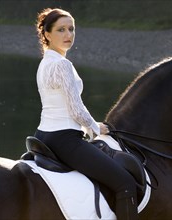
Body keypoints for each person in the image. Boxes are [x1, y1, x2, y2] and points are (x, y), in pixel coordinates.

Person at [34, 8, 138, 220]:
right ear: (46, 34)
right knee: (125, 183)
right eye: (61, 30)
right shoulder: (62, 65)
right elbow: (75, 108)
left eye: (71, 29)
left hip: (43, 135)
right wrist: (94, 127)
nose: (68, 35)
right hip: (65, 140)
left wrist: (88, 124)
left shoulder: (45, 63)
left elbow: (62, 107)